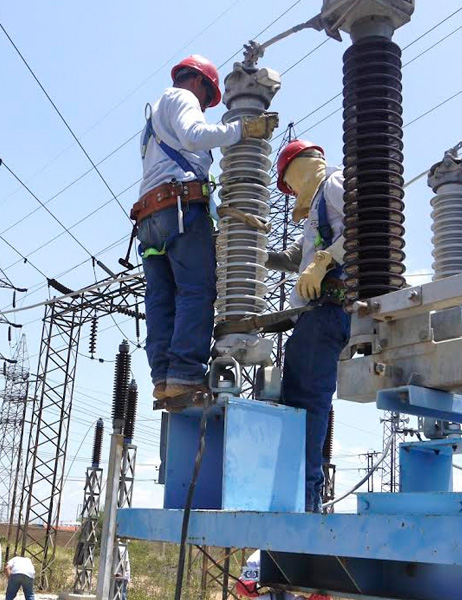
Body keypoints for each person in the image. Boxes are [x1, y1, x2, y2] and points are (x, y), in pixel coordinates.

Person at [134, 54, 279, 404]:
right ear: (199, 83)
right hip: (180, 211)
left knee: (161, 301)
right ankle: (185, 373)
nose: (203, 106)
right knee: (196, 291)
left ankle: (165, 378)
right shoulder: (181, 97)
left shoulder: (152, 122)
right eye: (207, 98)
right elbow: (196, 135)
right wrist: (242, 129)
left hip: (150, 218)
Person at [268, 140, 350, 513]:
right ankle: (305, 497)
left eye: (288, 184)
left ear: (296, 168)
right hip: (324, 310)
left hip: (330, 307)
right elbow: (297, 259)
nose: (291, 193)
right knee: (306, 401)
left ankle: (304, 502)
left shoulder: (334, 183)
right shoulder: (319, 206)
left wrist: (325, 260)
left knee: (303, 404)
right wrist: (257, 253)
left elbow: (367, 226)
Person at [235, 549, 327, 600]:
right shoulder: (261, 555)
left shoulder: (309, 557)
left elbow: (323, 595)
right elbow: (241, 586)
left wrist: (299, 590)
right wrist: (265, 586)